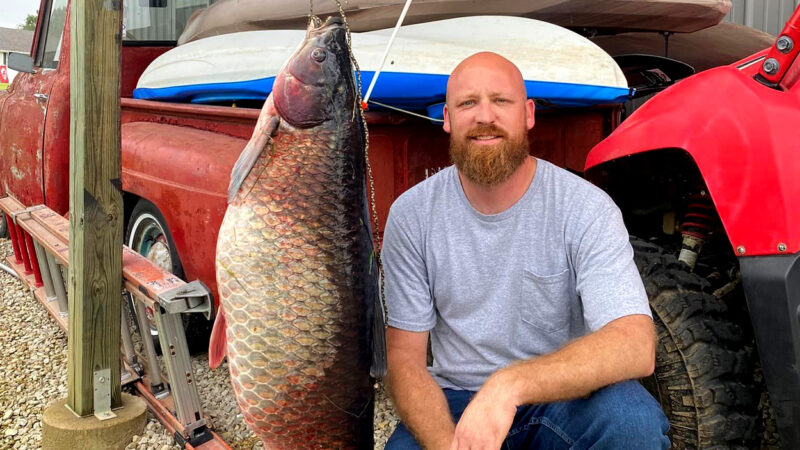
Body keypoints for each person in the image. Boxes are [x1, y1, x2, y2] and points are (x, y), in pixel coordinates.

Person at [381, 51, 670, 450]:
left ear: (528, 114)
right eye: (468, 103)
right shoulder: (412, 215)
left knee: (630, 420)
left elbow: (635, 344)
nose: (485, 116)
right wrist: (448, 444)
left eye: (501, 101)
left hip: (559, 397)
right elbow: (404, 360)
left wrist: (509, 385)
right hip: (456, 400)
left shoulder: (584, 207)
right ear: (446, 119)